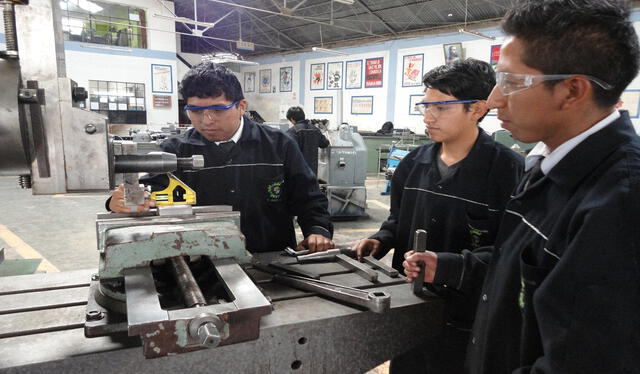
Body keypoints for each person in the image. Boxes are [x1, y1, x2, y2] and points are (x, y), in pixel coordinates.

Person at [403, 0, 640, 372]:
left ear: (572, 91)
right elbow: (521, 275)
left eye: (511, 82)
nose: (494, 100)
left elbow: (589, 361)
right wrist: (452, 267)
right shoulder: (547, 165)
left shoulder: (619, 203)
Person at [353, 58, 524, 373]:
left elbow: (512, 252)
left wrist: (449, 266)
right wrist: (380, 239)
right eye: (425, 107)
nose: (428, 117)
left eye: (441, 108)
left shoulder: (507, 171)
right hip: (410, 308)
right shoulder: (413, 164)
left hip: (468, 317)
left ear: (477, 109)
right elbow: (398, 219)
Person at [108, 62, 334, 253]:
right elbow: (147, 195)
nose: (207, 120)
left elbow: (308, 197)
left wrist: (317, 230)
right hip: (197, 261)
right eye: (195, 111)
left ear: (241, 107)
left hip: (270, 261)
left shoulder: (279, 145)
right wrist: (120, 201)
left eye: (217, 110)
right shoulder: (175, 151)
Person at [285, 106, 329, 176]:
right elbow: (325, 143)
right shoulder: (315, 129)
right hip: (312, 171)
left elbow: (287, 151)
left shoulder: (292, 132)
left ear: (292, 119)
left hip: (297, 171)